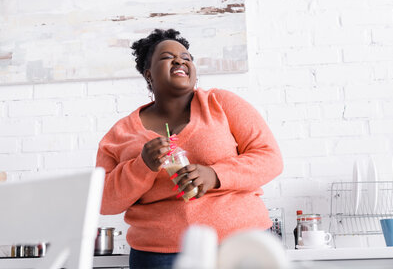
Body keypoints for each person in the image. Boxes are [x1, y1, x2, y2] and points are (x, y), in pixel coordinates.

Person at [96, 29, 283, 269]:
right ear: (148, 73)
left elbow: (270, 157)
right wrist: (141, 166)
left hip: (241, 243)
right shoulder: (120, 134)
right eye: (166, 56)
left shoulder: (221, 103)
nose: (180, 60)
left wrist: (214, 175)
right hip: (158, 255)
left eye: (187, 57)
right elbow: (104, 201)